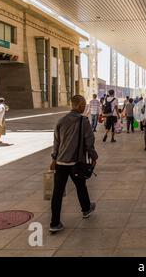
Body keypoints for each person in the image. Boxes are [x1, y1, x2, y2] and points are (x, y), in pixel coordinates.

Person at [49, 95, 98, 233]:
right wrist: (94, 157)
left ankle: (54, 223)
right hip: (75, 163)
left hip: (60, 163)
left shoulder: (61, 121)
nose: (85, 106)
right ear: (80, 105)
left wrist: (54, 159)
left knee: (57, 193)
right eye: (83, 104)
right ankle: (86, 209)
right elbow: (89, 142)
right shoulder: (83, 121)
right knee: (80, 186)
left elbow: (56, 143)